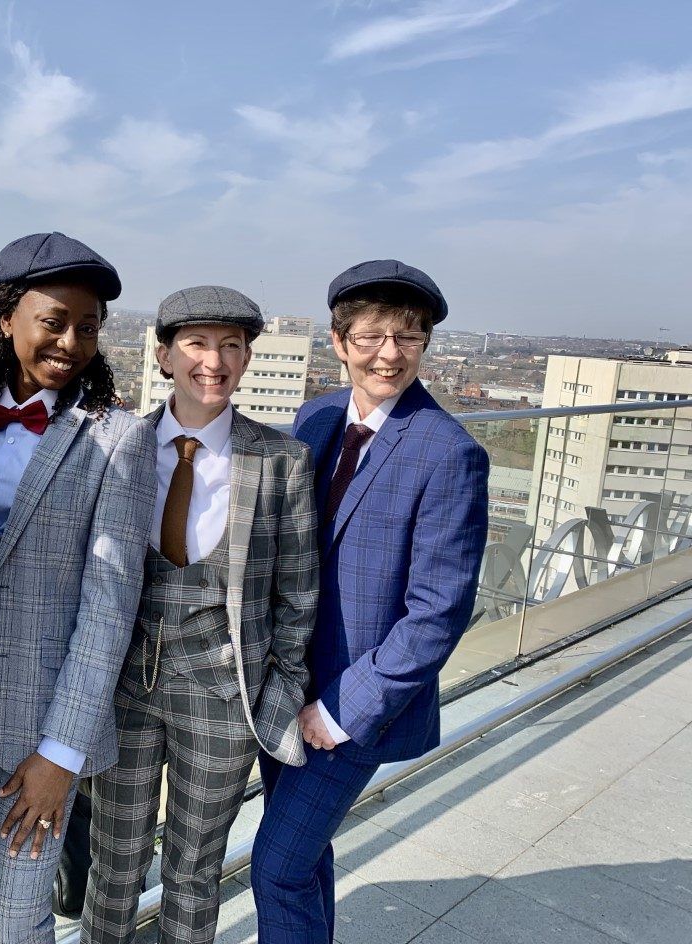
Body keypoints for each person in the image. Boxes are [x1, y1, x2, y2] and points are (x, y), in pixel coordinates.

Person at [250, 260, 489, 943]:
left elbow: (438, 612)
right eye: (373, 336)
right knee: (305, 858)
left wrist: (343, 707)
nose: (389, 353)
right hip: (286, 686)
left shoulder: (449, 453)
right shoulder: (317, 415)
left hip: (355, 704)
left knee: (275, 869)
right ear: (338, 340)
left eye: (408, 338)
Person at [82, 286, 318, 944]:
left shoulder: (281, 462)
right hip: (123, 689)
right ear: (162, 355)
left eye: (231, 346)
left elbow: (299, 591)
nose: (213, 360)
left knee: (193, 870)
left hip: (223, 694)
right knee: (113, 865)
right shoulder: (116, 447)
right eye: (196, 343)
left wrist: (281, 684)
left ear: (245, 361)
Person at [0, 232, 157, 944]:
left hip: (34, 724)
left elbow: (109, 606)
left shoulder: (116, 439)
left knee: (12, 923)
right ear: (6, 318)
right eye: (54, 320)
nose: (71, 340)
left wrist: (60, 757)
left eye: (88, 326)